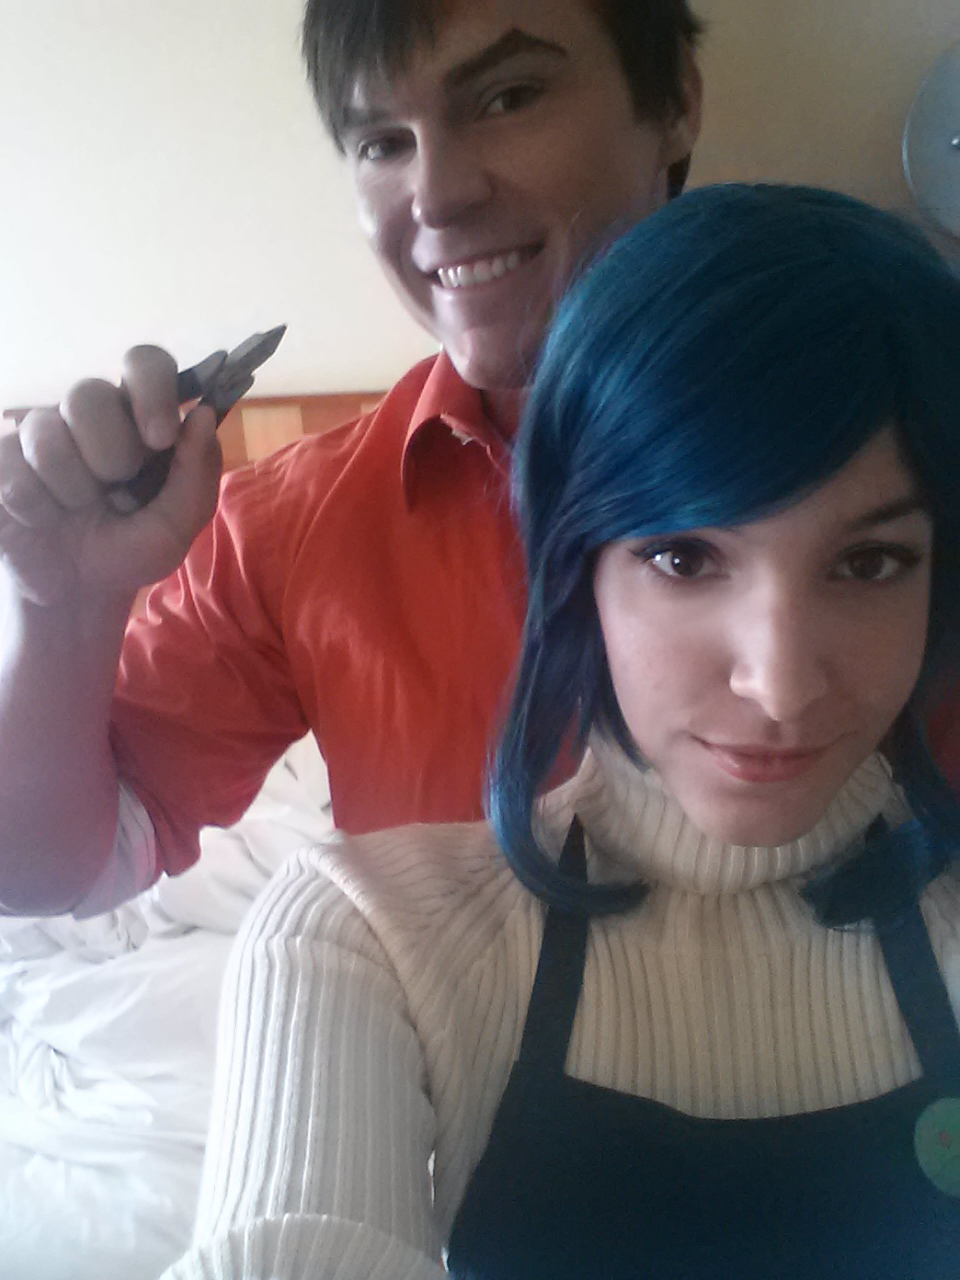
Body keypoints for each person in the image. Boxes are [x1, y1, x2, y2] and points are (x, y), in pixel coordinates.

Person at [161, 185, 960, 1280]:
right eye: (683, 556)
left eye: (869, 562)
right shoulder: (365, 940)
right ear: (575, 570)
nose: (778, 685)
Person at [0, 0, 704, 917]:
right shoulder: (290, 525)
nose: (436, 196)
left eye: (508, 97)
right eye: (381, 143)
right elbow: (45, 874)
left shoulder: (867, 448)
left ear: (674, 103)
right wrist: (63, 613)